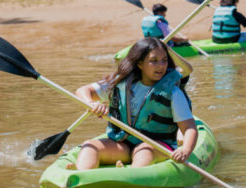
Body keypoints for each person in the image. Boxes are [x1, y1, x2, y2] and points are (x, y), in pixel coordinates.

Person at [70, 37, 196, 170]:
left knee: (144, 151)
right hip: (124, 144)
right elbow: (82, 91)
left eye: (164, 60)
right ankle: (80, 176)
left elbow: (189, 128)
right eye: (153, 61)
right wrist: (92, 104)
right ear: (140, 64)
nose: (161, 66)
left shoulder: (173, 92)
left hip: (158, 146)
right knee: (90, 146)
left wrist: (185, 150)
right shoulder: (120, 83)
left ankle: (126, 176)